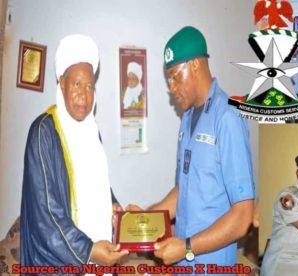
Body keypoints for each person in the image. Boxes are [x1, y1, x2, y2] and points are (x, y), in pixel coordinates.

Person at [126, 26, 255, 268]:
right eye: (168, 79)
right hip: (183, 263)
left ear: (195, 65)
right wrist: (147, 218)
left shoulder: (227, 117)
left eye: (175, 76)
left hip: (211, 265)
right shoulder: (187, 118)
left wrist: (186, 247)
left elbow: (243, 215)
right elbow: (184, 189)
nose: (171, 87)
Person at [20, 34, 128, 266]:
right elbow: (46, 213)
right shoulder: (43, 132)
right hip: (57, 264)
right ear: (62, 83)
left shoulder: (91, 131)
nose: (84, 95)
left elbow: (95, 182)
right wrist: (88, 250)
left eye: (89, 86)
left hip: (95, 255)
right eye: (77, 84)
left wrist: (112, 205)